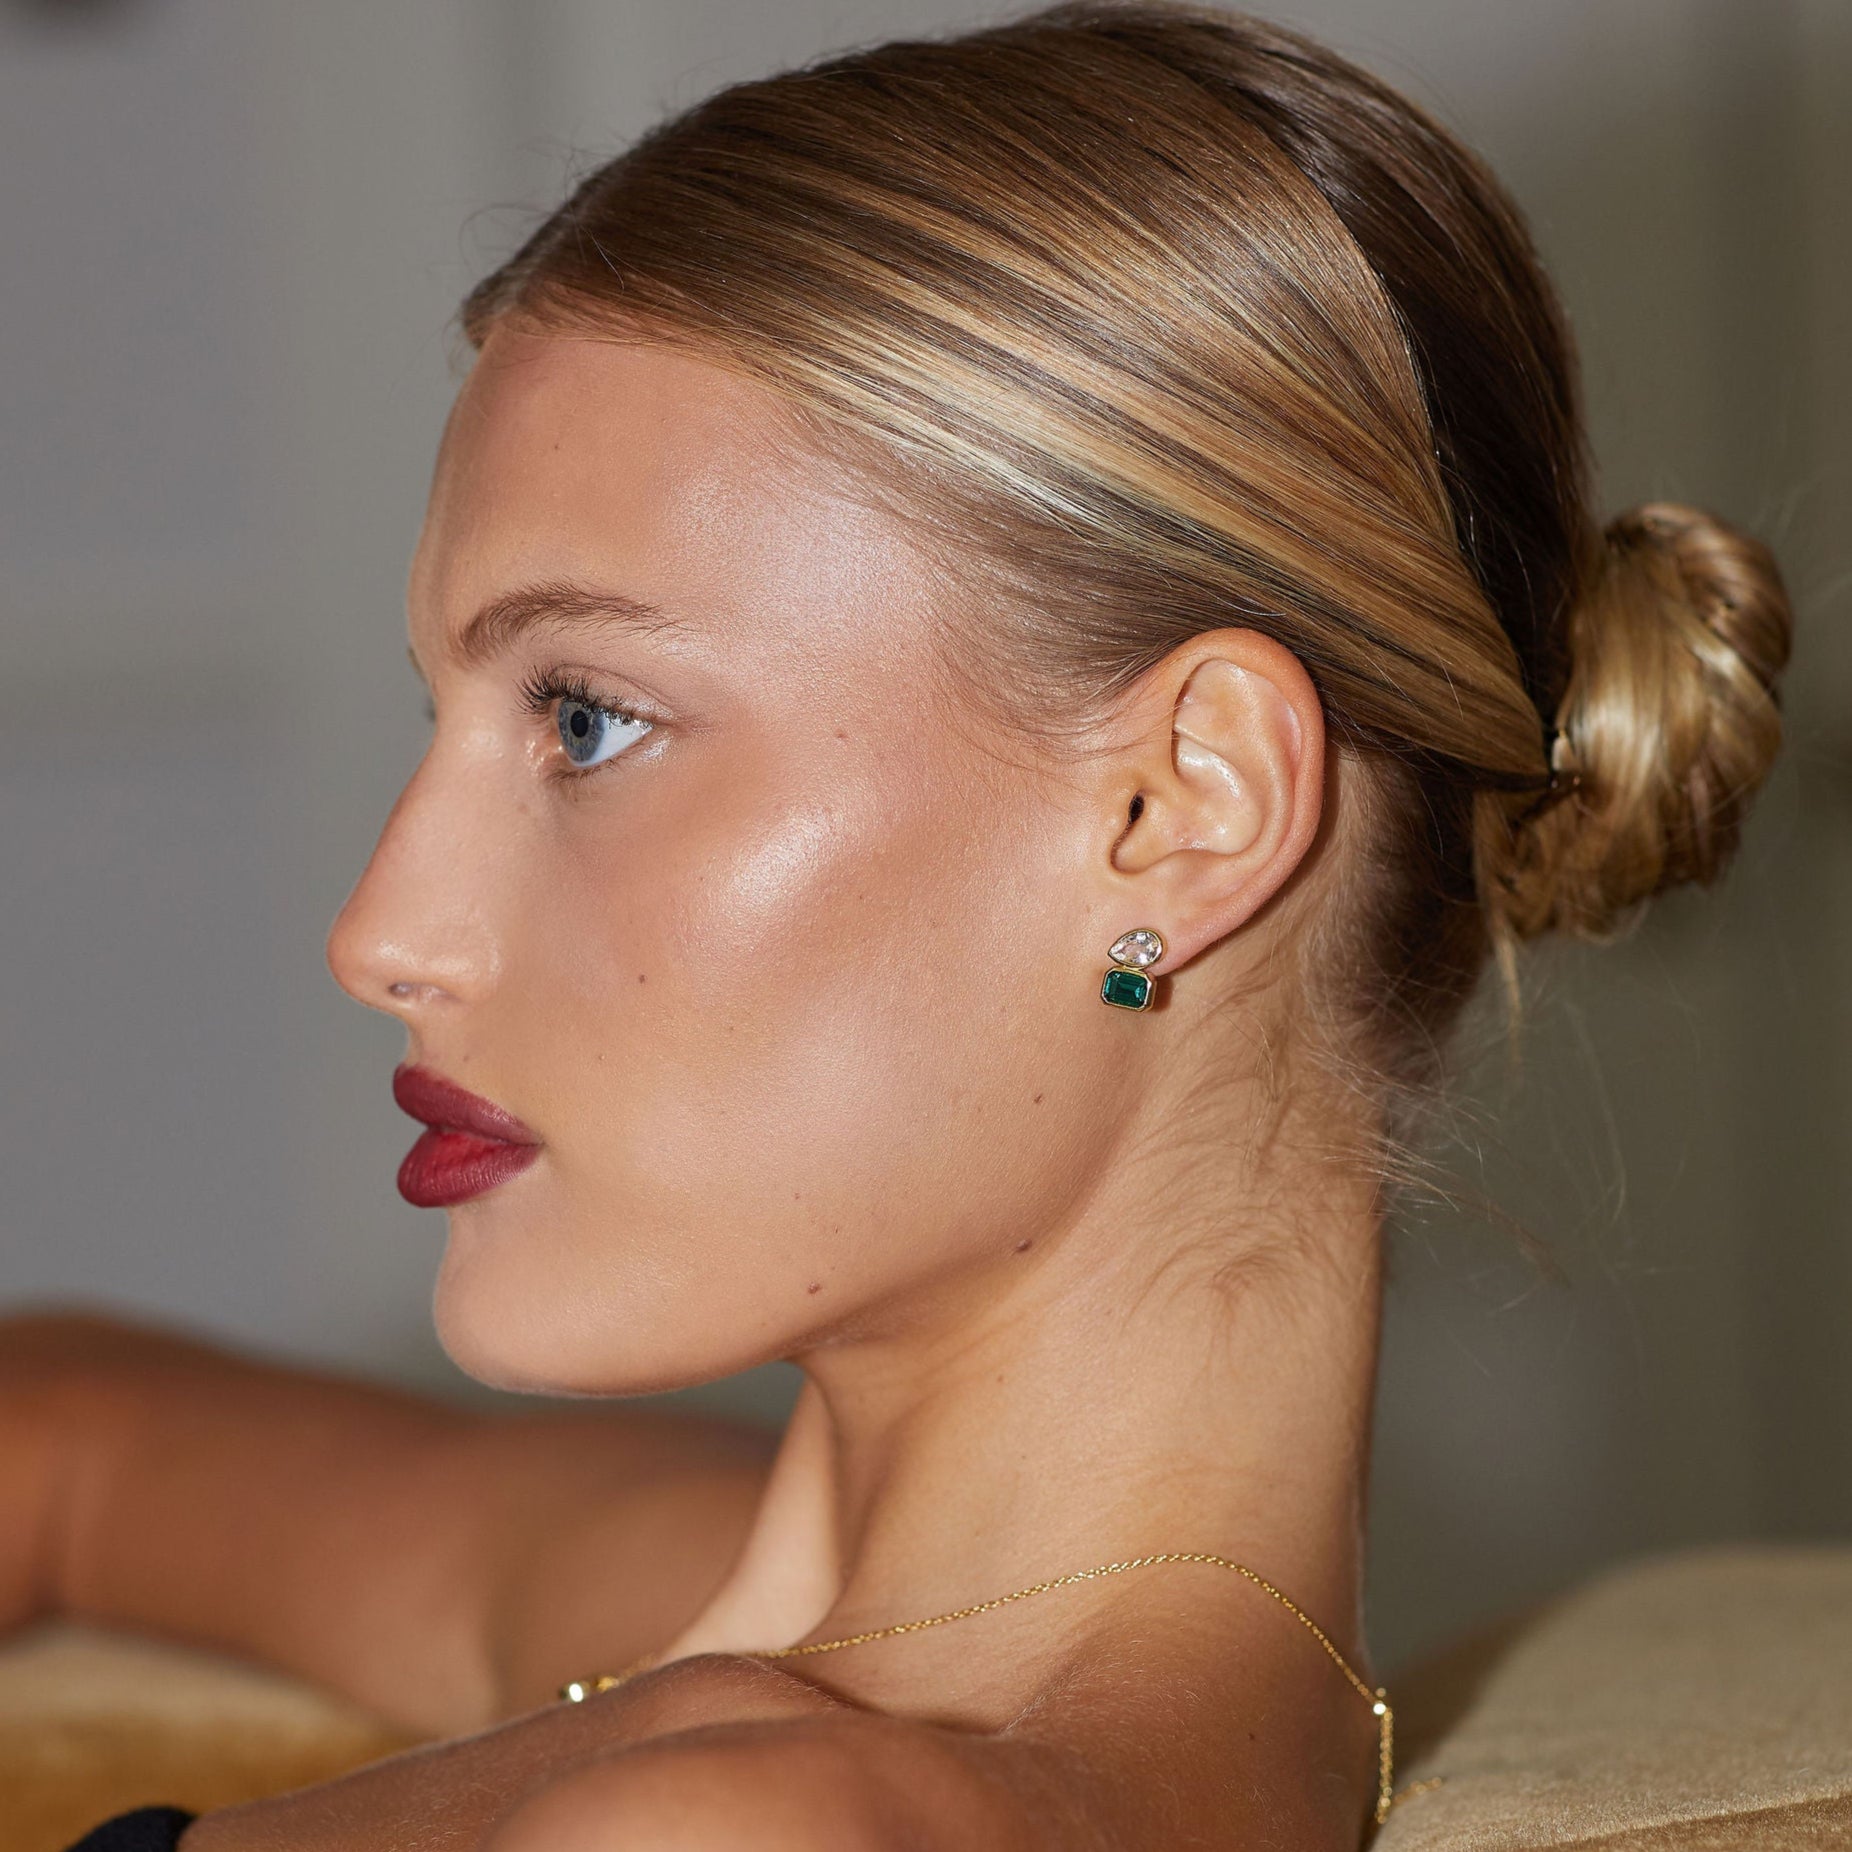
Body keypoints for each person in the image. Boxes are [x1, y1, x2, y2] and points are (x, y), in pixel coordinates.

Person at [11, 4, 1792, 1848]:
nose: (384, 933)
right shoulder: (748, 1631)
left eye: (587, 721)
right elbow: (59, 1431)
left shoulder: (754, 1826)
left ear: (1181, 805)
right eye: (443, 714)